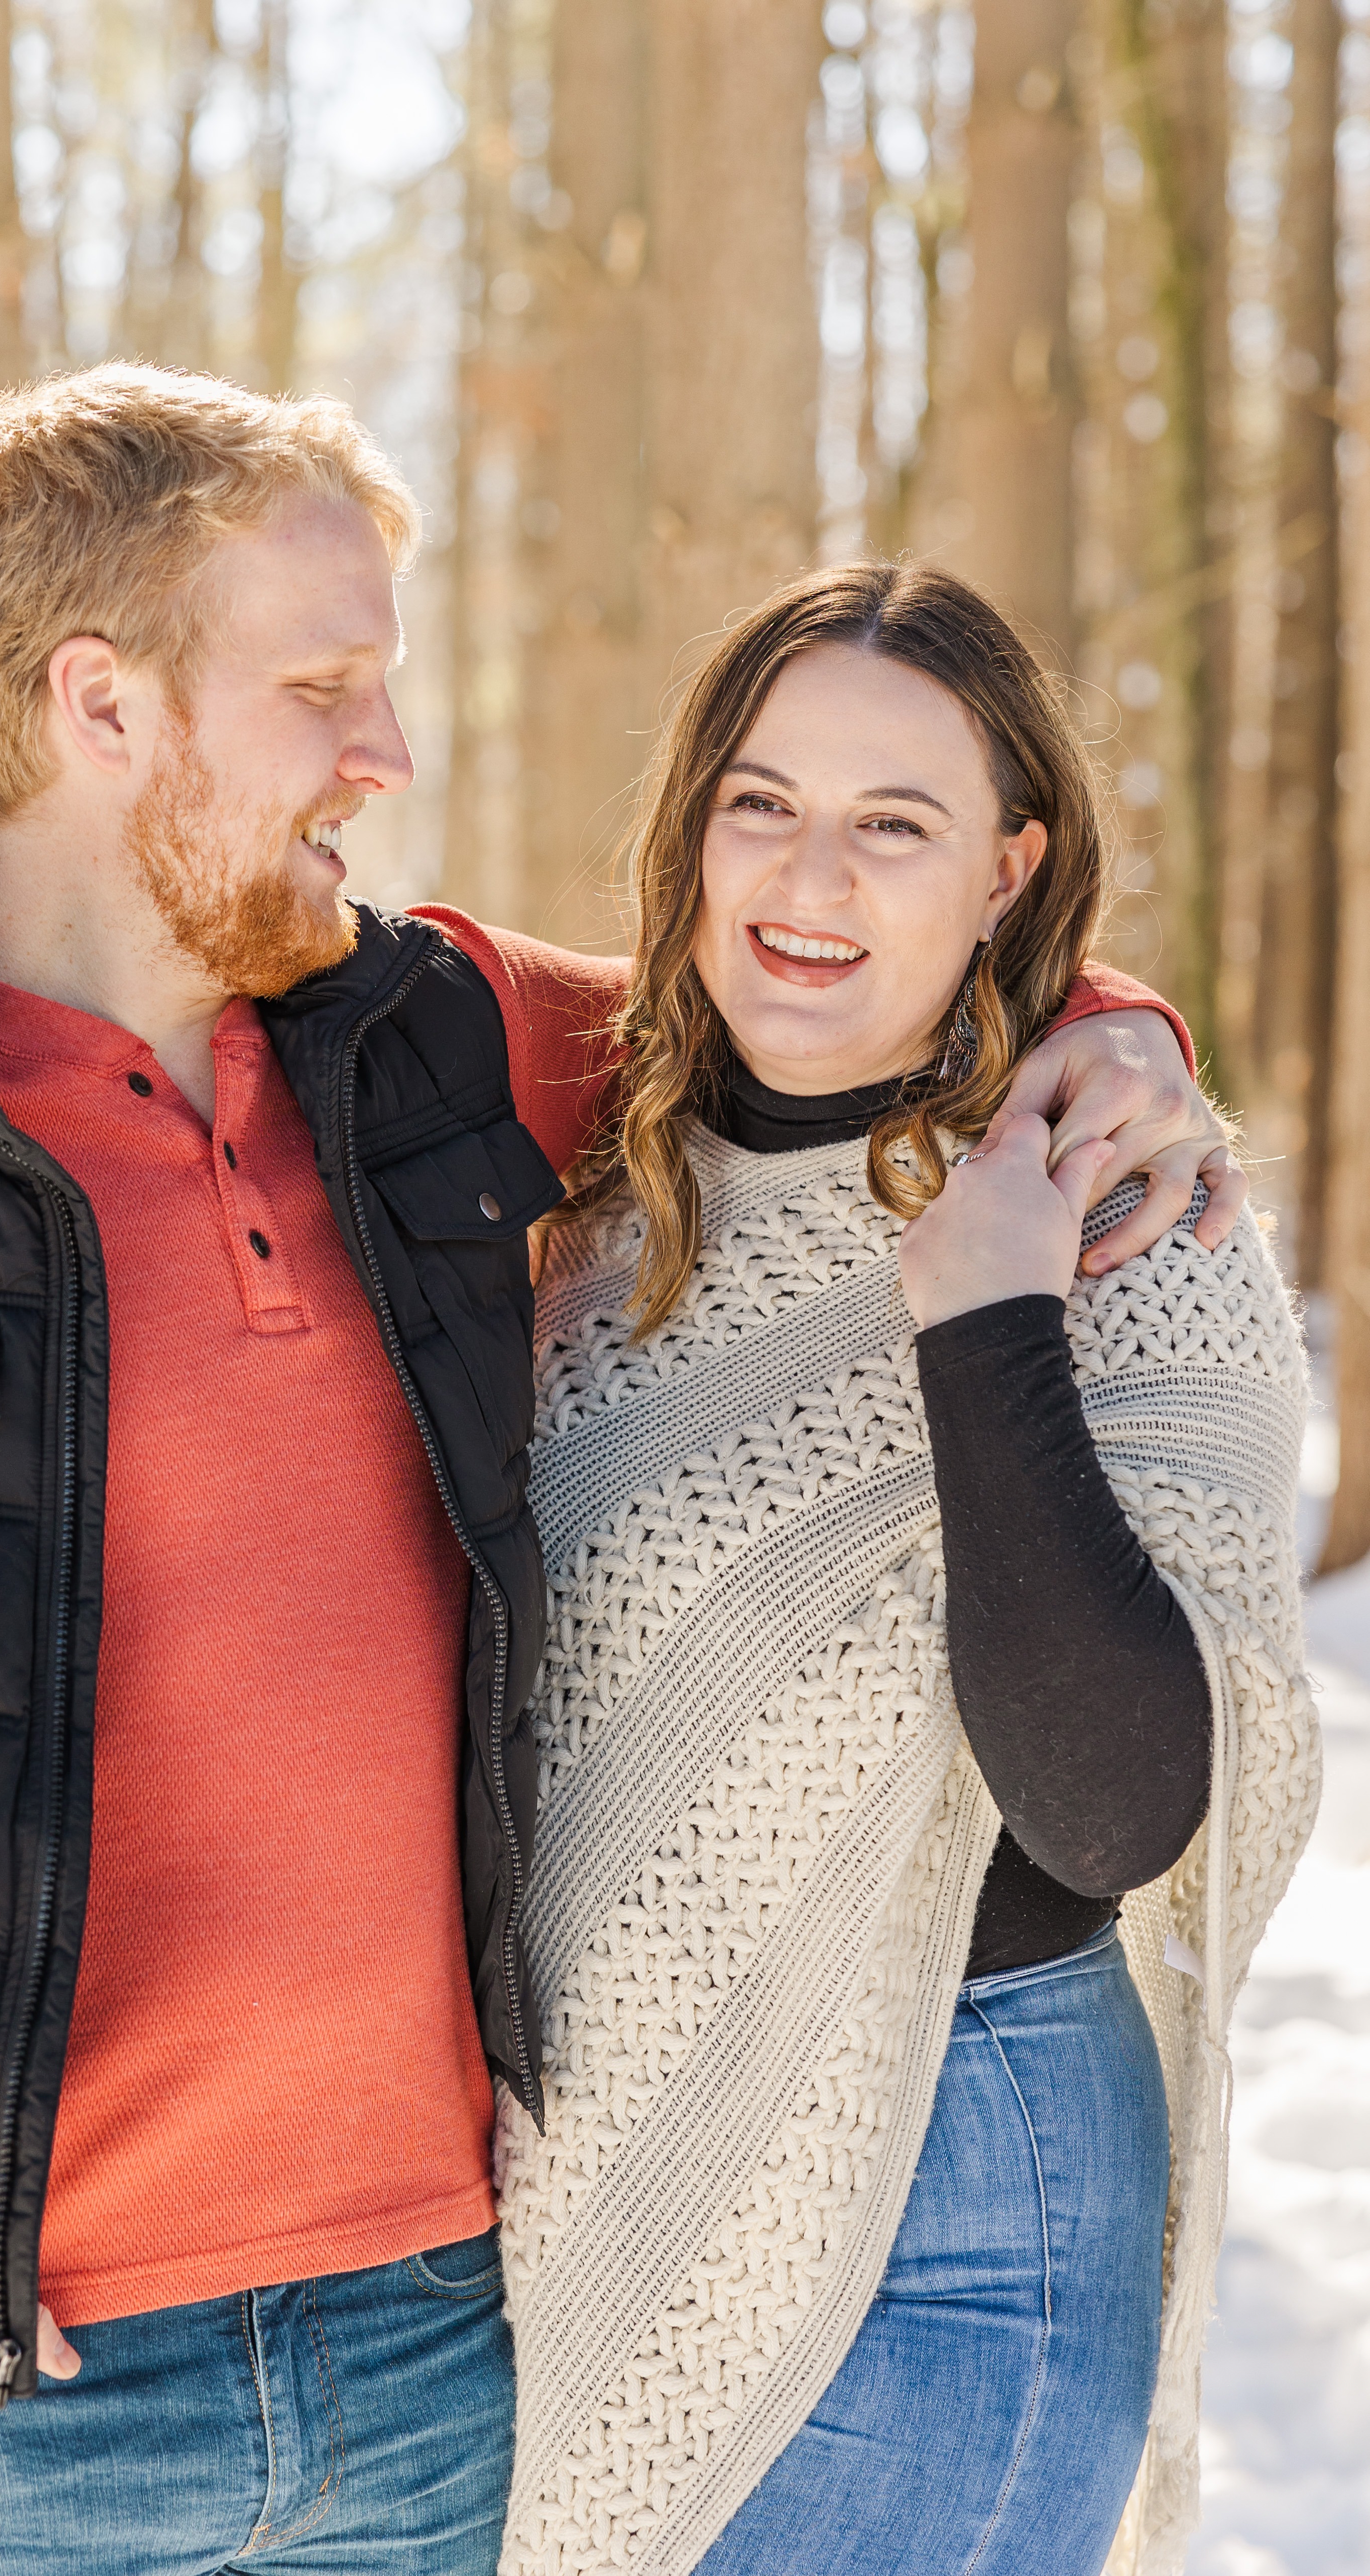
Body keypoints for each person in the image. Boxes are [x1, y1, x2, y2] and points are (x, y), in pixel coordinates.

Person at [0, 370, 1238, 2576]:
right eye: (324, 689)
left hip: (440, 2355)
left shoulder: (440, 1045)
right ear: (102, 710)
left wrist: (1113, 1044)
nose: (388, 755)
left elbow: (837, 979)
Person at [495, 562, 1319, 2576]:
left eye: (896, 824)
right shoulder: (607, 1203)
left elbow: (1121, 1807)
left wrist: (987, 1330)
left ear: (1012, 869)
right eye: (761, 802)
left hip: (953, 2213)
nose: (812, 874)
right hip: (607, 2166)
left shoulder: (1132, 1224)